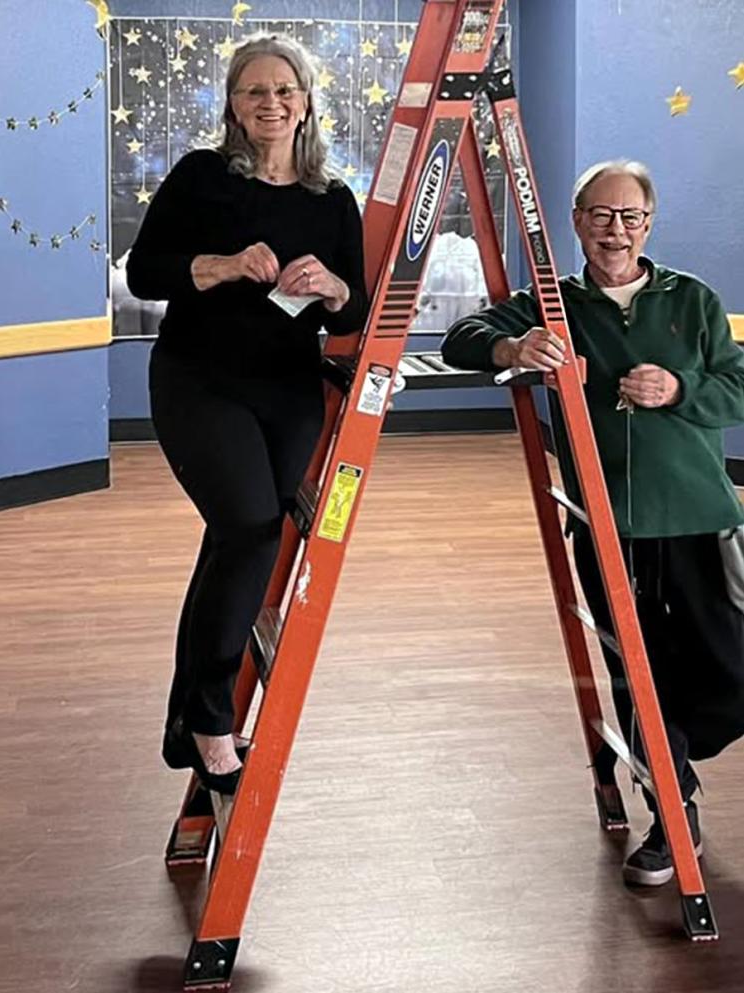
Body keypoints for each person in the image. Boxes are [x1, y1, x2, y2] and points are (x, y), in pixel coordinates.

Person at [442, 160, 744, 885]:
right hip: (610, 526)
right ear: (577, 221)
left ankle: (673, 747)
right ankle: (672, 812)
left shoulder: (692, 300)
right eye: (601, 216)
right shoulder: (552, 302)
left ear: (648, 223)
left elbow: (735, 386)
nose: (616, 231)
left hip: (702, 516)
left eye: (630, 217)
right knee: (634, 673)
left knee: (731, 672)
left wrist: (680, 388)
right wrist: (512, 349)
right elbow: (462, 336)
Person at [126, 33, 368, 794]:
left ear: (306, 102)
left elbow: (351, 307)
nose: (270, 103)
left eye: (284, 90)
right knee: (247, 529)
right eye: (254, 91)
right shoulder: (203, 177)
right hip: (199, 380)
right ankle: (208, 719)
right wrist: (225, 264)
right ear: (233, 104)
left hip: (288, 389)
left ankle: (185, 715)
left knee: (238, 540)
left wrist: (331, 285)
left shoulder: (333, 199)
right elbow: (143, 273)